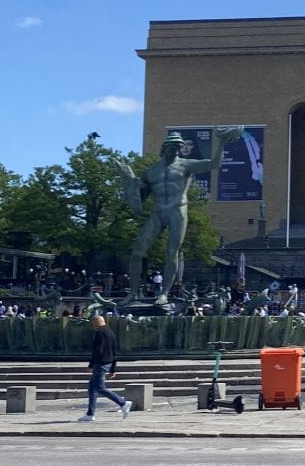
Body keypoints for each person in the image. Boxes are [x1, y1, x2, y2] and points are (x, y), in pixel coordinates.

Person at [115, 127, 241, 304]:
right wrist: (129, 180)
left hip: (178, 209)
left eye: (178, 147)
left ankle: (164, 293)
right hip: (157, 211)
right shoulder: (151, 171)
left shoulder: (186, 165)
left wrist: (221, 142)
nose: (176, 150)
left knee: (172, 251)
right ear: (164, 147)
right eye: (173, 146)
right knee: (137, 251)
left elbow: (214, 164)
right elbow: (138, 194)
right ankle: (133, 293)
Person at [78, 315, 131, 422]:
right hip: (108, 363)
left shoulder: (99, 333)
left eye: (93, 323)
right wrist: (113, 369)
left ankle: (123, 403)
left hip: (100, 364)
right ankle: (90, 414)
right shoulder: (111, 333)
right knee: (92, 388)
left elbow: (97, 351)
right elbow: (114, 352)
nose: (92, 326)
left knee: (100, 388)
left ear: (96, 322)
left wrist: (91, 365)